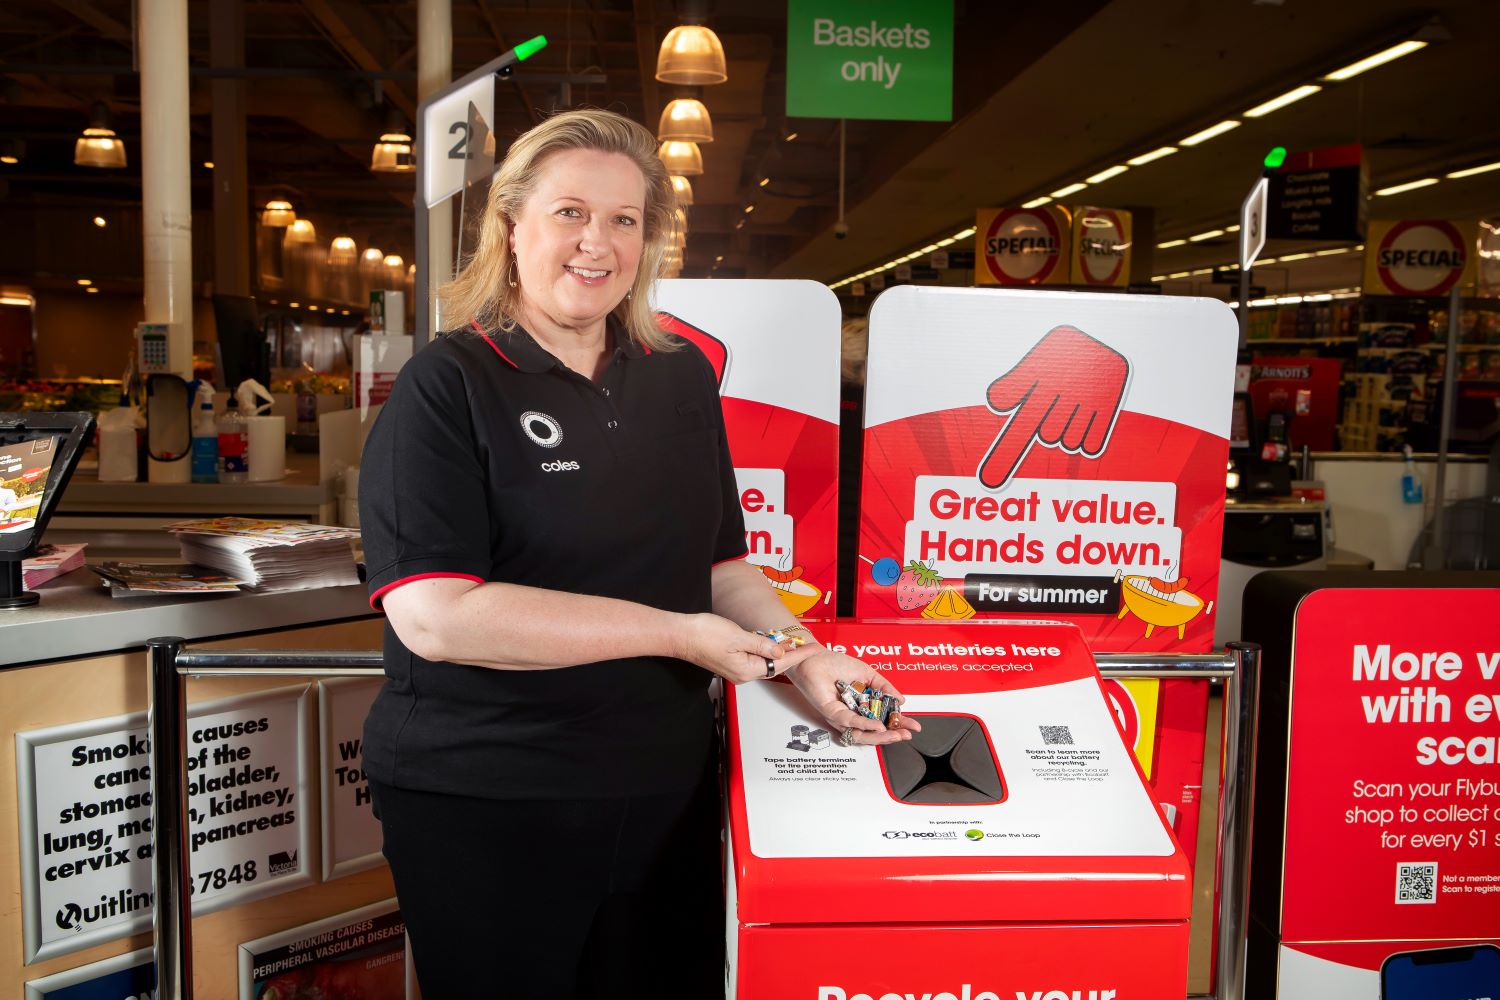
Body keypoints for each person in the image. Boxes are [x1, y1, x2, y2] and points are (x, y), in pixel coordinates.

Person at [358, 107, 917, 999]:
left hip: (662, 791)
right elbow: (436, 615)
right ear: (512, 226)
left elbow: (722, 567)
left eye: (625, 220)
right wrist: (678, 636)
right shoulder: (450, 382)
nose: (598, 243)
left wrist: (805, 658)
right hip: (490, 798)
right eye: (571, 213)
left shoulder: (677, 373)